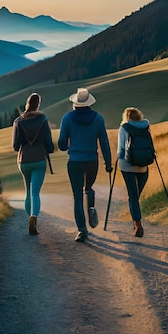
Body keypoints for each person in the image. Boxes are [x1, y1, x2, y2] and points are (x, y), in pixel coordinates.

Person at [58, 88, 112, 242]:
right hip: (92, 162)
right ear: (90, 103)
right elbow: (104, 143)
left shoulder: (67, 118)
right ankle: (91, 209)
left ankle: (82, 230)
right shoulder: (98, 119)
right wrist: (108, 163)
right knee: (88, 188)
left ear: (75, 103)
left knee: (77, 197)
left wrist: (70, 144)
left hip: (75, 161)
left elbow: (62, 144)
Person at [12, 92, 55, 235]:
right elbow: (49, 144)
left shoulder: (18, 121)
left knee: (28, 192)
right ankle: (33, 216)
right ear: (38, 105)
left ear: (27, 104)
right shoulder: (42, 119)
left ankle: (30, 217)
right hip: (39, 160)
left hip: (24, 161)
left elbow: (15, 146)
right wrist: (49, 149)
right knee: (35, 192)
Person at [118, 107, 151, 237]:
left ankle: (138, 224)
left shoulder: (124, 128)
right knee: (135, 196)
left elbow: (121, 148)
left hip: (127, 166)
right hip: (143, 166)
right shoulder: (146, 127)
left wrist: (118, 158)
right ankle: (135, 218)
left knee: (133, 196)